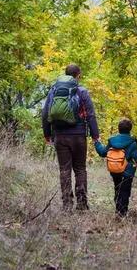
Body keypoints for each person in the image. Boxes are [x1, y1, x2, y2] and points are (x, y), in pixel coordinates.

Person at [41, 64, 99, 211]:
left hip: (60, 136)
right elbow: (90, 115)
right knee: (80, 169)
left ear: (65, 74)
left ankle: (67, 204)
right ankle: (81, 204)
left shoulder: (54, 90)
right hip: (79, 136)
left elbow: (45, 112)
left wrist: (47, 134)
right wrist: (95, 135)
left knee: (64, 170)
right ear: (78, 75)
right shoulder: (82, 91)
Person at [94, 118, 137, 217]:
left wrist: (97, 143)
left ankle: (118, 210)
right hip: (128, 172)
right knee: (125, 191)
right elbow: (136, 158)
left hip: (114, 170)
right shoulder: (132, 142)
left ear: (118, 129)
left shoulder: (112, 141)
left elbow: (103, 152)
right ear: (130, 129)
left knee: (117, 188)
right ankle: (122, 213)